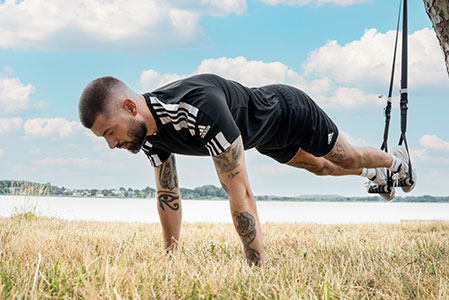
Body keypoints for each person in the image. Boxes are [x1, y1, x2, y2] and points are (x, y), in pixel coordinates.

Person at [78, 73, 416, 267]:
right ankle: (378, 177)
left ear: (129, 107)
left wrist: (255, 266)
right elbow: (168, 194)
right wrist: (170, 256)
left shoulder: (198, 108)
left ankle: (396, 162)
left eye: (110, 133)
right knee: (322, 169)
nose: (112, 145)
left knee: (348, 158)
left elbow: (240, 192)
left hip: (290, 111)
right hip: (263, 137)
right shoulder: (146, 136)